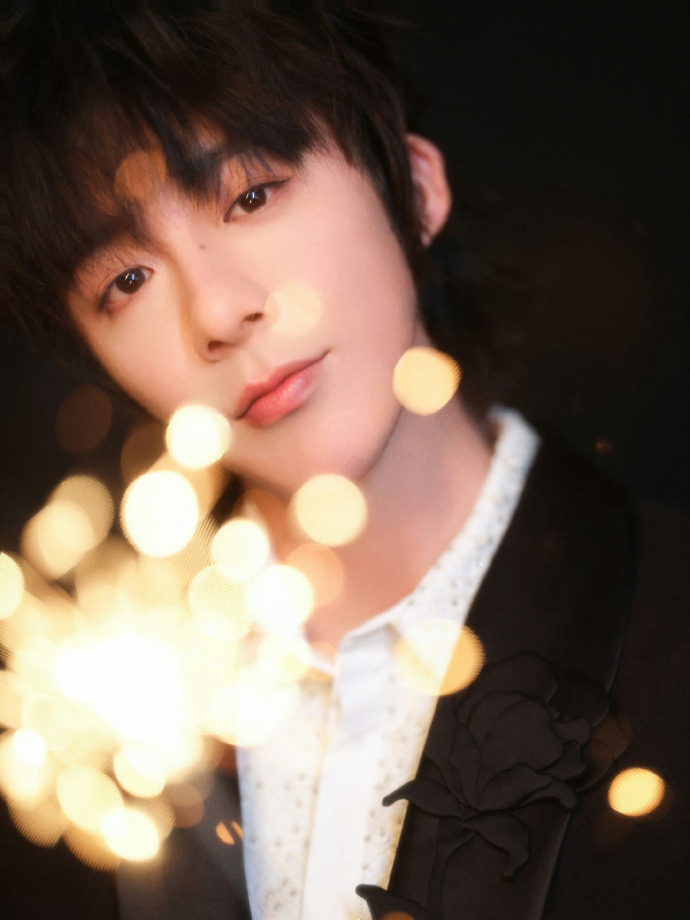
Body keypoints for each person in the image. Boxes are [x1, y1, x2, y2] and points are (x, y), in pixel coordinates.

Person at [2, 1, 687, 918]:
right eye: (127, 281)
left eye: (251, 195)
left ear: (414, 186)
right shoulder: (82, 730)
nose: (218, 312)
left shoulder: (670, 625)